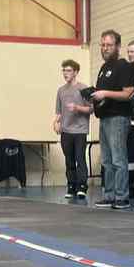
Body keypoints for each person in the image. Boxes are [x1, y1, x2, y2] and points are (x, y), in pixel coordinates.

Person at [91, 29, 134, 208]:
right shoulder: (104, 69)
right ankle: (109, 195)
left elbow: (128, 93)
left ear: (118, 46)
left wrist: (105, 93)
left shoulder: (123, 66)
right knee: (106, 160)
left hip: (118, 117)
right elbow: (102, 94)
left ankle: (121, 196)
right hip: (104, 117)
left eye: (109, 45)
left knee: (118, 159)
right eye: (103, 45)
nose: (105, 48)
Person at [53, 59, 90, 200]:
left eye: (68, 70)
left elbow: (91, 109)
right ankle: (71, 186)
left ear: (75, 72)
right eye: (64, 70)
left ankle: (82, 186)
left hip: (80, 130)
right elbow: (58, 112)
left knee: (80, 158)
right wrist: (56, 123)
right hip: (66, 130)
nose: (65, 73)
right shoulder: (61, 90)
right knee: (69, 160)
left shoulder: (83, 88)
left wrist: (77, 108)